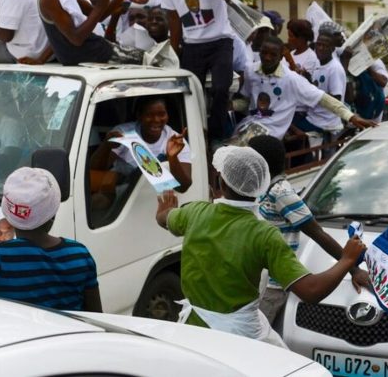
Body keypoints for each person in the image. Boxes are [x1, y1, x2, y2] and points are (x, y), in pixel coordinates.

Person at [155, 146, 365, 346]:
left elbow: (164, 218)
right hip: (240, 340)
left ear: (221, 183)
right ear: (259, 189)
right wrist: (347, 260)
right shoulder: (264, 234)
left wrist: (165, 210)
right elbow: (311, 291)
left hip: (194, 331)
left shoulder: (195, 212)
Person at [248, 135, 372, 324]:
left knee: (255, 339)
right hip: (259, 280)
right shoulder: (262, 189)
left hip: (273, 286)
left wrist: (353, 269)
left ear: (260, 164)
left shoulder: (281, 193)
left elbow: (317, 233)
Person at [0, 167, 102, 312]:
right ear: (52, 214)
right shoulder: (80, 254)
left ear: (9, 216)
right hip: (67, 341)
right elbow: (96, 315)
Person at [160, 0, 234, 141]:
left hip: (220, 40)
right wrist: (174, 50)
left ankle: (217, 138)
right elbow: (173, 16)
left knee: (221, 88)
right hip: (192, 44)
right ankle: (193, 136)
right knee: (191, 93)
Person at [239, 36, 375, 140]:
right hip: (249, 127)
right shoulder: (250, 70)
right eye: (264, 53)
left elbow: (323, 98)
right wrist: (230, 105)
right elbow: (246, 100)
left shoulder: (291, 79)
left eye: (273, 55)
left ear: (281, 56)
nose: (267, 58)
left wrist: (351, 117)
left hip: (272, 134)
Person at [91, 96, 192, 193]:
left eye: (161, 114)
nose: (156, 120)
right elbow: (95, 170)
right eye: (149, 115)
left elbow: (183, 187)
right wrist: (106, 146)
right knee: (99, 201)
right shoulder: (123, 133)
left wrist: (172, 158)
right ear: (139, 116)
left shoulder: (176, 141)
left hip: (157, 195)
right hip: (123, 192)